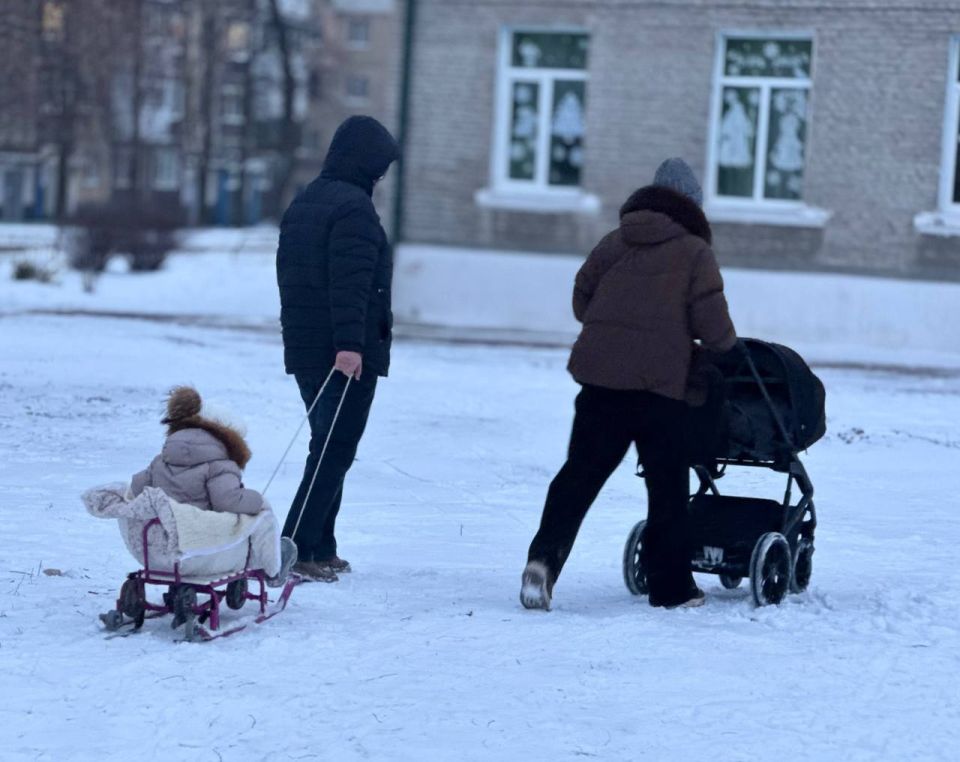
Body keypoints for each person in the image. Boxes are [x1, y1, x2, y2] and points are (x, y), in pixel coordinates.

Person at [520, 158, 739, 611]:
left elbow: (582, 299)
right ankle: (672, 589)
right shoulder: (695, 252)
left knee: (579, 475)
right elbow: (713, 328)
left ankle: (542, 562)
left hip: (600, 382)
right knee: (667, 488)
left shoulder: (614, 241)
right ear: (692, 205)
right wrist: (724, 349)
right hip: (660, 389)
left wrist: (614, 327)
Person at [276, 116, 400, 582]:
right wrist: (349, 346)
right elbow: (351, 285)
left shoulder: (306, 201)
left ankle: (321, 545)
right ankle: (298, 547)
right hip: (343, 354)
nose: (381, 176)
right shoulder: (353, 210)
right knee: (334, 449)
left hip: (306, 346)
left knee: (328, 445)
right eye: (380, 166)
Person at [131, 386, 297, 587]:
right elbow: (227, 500)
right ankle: (273, 570)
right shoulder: (219, 465)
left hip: (160, 551)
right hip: (199, 553)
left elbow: (137, 487)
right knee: (262, 516)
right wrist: (258, 500)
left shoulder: (161, 461)